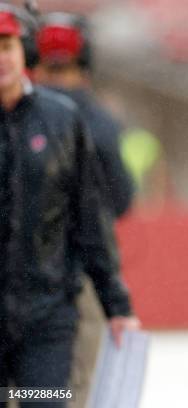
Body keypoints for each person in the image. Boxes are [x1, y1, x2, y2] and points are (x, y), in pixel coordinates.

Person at [0, 5, 139, 408]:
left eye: (7, 45)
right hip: (68, 284)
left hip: (48, 304)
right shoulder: (96, 118)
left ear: (27, 52)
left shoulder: (62, 119)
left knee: (45, 395)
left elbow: (90, 209)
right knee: (73, 392)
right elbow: (115, 203)